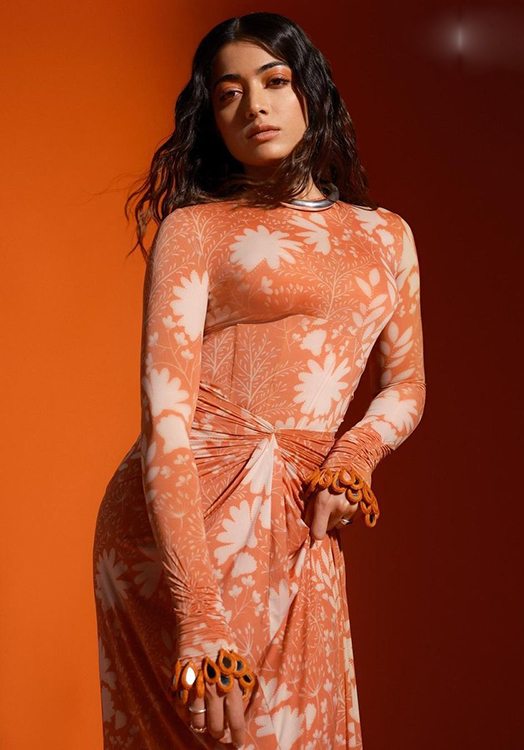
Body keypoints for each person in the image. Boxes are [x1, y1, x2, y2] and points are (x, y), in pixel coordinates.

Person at [93, 11, 426, 749]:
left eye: (274, 81)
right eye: (228, 93)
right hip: (182, 524)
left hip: (296, 515)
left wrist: (354, 458)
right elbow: (166, 422)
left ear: (311, 91)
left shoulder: (387, 236)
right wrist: (199, 612)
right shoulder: (196, 229)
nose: (254, 106)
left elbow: (405, 386)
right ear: (212, 118)